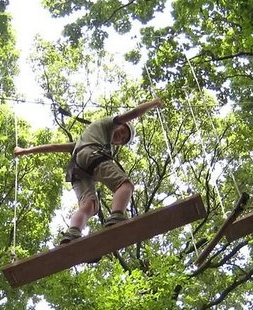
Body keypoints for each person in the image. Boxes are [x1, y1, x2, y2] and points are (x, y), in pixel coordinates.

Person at [13, 97, 163, 244]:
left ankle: (73, 233)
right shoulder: (106, 124)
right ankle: (117, 217)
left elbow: (54, 147)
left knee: (89, 206)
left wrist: (25, 151)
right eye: (122, 131)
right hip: (90, 155)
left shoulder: (85, 140)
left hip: (77, 169)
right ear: (119, 124)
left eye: (123, 140)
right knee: (125, 185)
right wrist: (152, 103)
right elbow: (133, 113)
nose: (120, 136)